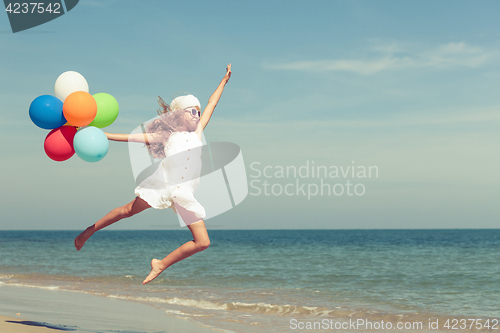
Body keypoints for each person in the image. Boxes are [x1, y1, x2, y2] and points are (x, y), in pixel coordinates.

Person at [74, 64, 232, 285]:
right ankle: (89, 231)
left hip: (184, 193)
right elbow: (129, 138)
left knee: (203, 242)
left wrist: (224, 81)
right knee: (127, 210)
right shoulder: (165, 136)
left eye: (198, 111)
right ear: (178, 115)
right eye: (192, 111)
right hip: (164, 185)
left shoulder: (197, 133)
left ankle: (160, 264)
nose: (198, 115)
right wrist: (101, 134)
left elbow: (212, 104)